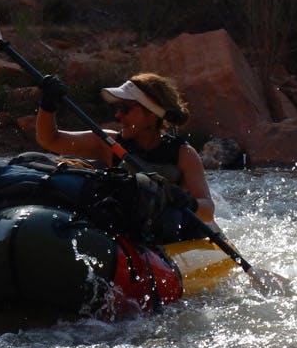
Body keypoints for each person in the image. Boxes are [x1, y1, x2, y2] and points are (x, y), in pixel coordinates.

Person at [34, 72, 216, 231]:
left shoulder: (184, 154)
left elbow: (208, 210)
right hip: (123, 228)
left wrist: (187, 202)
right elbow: (50, 140)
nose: (118, 115)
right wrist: (48, 105)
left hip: (164, 234)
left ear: (152, 114)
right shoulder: (109, 142)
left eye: (125, 109)